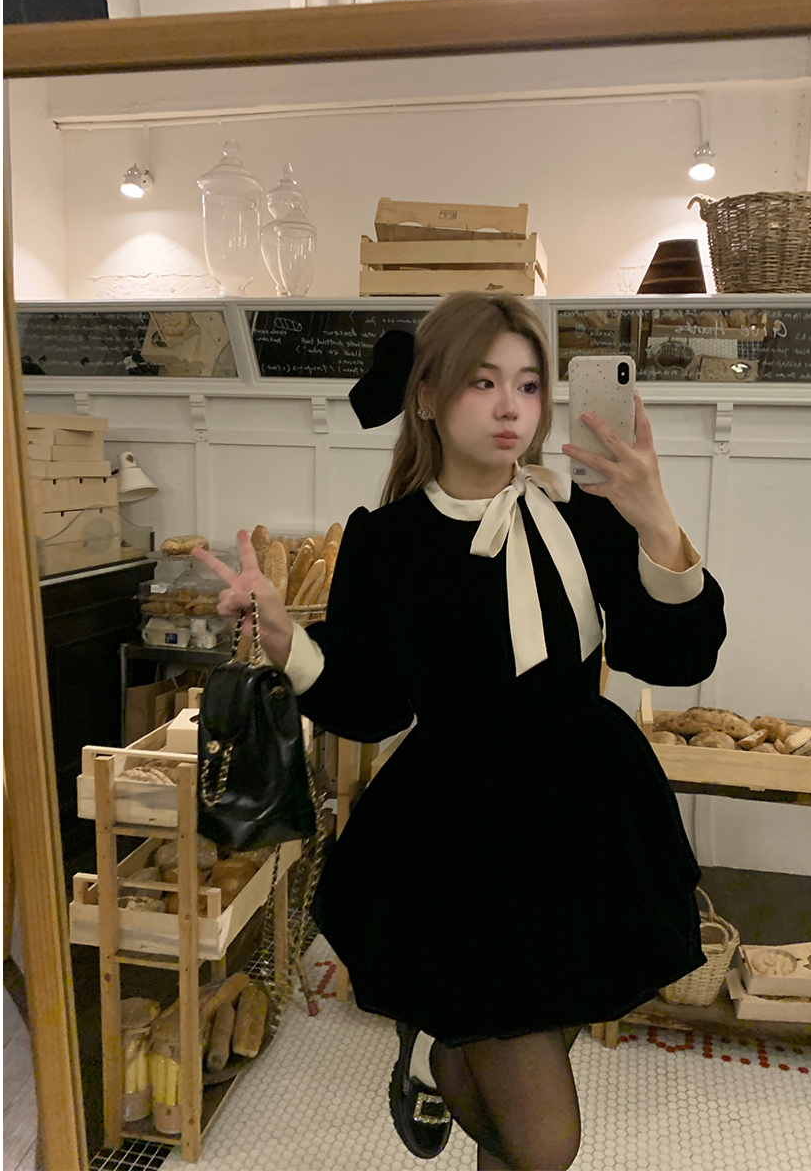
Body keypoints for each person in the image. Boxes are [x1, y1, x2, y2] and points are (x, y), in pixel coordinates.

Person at [192, 292, 726, 1171]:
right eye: (483, 382)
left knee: (512, 1090)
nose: (512, 406)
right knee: (545, 1138)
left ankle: (442, 1054)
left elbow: (677, 656)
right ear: (428, 397)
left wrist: (656, 517)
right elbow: (374, 704)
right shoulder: (387, 541)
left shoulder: (585, 517)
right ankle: (444, 1053)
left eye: (528, 383)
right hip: (461, 836)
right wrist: (286, 640)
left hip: (583, 821)